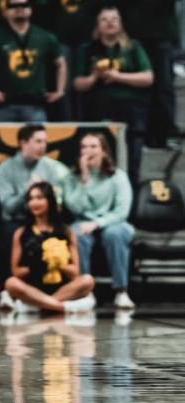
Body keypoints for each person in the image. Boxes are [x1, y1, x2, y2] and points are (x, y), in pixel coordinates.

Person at [112, 0, 184, 148]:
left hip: (162, 30)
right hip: (135, 31)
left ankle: (166, 131)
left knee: (163, 84)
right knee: (138, 85)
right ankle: (140, 130)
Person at [75, 8, 154, 180]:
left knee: (132, 159)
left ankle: (131, 201)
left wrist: (117, 76)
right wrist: (95, 75)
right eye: (104, 19)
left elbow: (148, 77)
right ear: (97, 26)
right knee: (103, 159)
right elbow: (78, 84)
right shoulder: (88, 49)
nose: (110, 22)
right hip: (99, 108)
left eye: (114, 19)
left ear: (121, 24)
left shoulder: (133, 46)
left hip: (131, 110)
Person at [62, 133, 136, 310]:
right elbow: (74, 208)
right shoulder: (71, 178)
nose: (88, 151)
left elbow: (121, 212)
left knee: (114, 234)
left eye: (93, 146)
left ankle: (121, 291)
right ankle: (85, 292)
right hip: (83, 222)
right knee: (76, 234)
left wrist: (97, 223)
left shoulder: (118, 176)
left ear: (104, 151)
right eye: (84, 147)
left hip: (112, 223)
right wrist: (84, 179)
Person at [0, 0, 66, 123]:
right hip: (4, 105)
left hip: (35, 105)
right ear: (6, 11)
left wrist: (60, 90)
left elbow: (61, 62)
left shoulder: (45, 36)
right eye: (13, 6)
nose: (19, 8)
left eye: (24, 5)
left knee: (37, 142)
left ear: (30, 9)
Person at [2, 182, 96, 313]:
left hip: (61, 288)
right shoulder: (21, 233)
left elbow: (75, 271)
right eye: (31, 199)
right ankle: (61, 307)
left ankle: (39, 305)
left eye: (39, 198)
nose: (34, 203)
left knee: (88, 280)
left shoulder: (66, 231)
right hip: (33, 288)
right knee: (11, 283)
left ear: (50, 200)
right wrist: (37, 265)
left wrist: (55, 263)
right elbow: (16, 272)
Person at [0, 124, 72, 246]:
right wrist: (27, 192)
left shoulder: (52, 167)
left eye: (45, 142)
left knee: (63, 231)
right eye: (38, 141)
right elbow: (7, 208)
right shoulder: (5, 168)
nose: (43, 146)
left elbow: (58, 202)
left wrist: (48, 194)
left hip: (46, 220)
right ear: (23, 143)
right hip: (18, 221)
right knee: (10, 232)